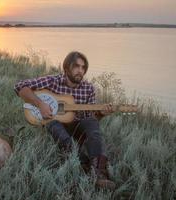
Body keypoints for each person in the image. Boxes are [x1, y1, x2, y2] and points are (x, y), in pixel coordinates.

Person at [14, 51, 115, 190]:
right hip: (55, 126)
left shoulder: (89, 88)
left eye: (83, 67)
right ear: (67, 68)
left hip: (77, 128)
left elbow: (91, 118)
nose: (81, 71)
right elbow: (20, 87)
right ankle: (84, 163)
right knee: (52, 123)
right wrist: (40, 104)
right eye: (77, 66)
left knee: (92, 123)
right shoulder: (53, 81)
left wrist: (102, 114)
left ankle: (99, 174)